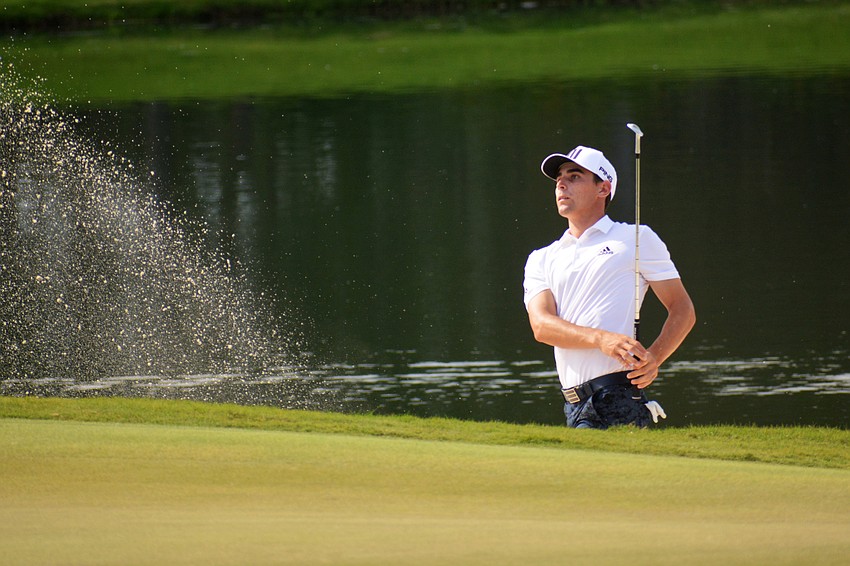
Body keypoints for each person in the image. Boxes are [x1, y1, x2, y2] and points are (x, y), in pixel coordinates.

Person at [523, 145, 696, 429]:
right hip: (572, 403)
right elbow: (542, 327)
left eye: (575, 176)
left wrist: (654, 357)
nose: (562, 184)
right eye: (558, 180)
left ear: (603, 189)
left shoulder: (635, 237)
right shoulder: (541, 257)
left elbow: (682, 309)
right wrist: (601, 339)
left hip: (618, 395)